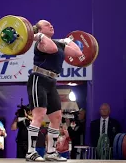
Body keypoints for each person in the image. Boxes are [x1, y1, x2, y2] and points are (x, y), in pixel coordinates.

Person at [25, 20, 82, 162]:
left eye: (51, 24)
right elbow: (52, 49)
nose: (51, 25)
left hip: (51, 82)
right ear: (39, 29)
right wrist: (39, 36)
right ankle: (31, 152)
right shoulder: (41, 43)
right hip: (38, 79)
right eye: (47, 25)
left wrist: (67, 40)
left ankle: (50, 152)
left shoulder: (56, 43)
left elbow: (77, 53)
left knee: (56, 117)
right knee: (39, 115)